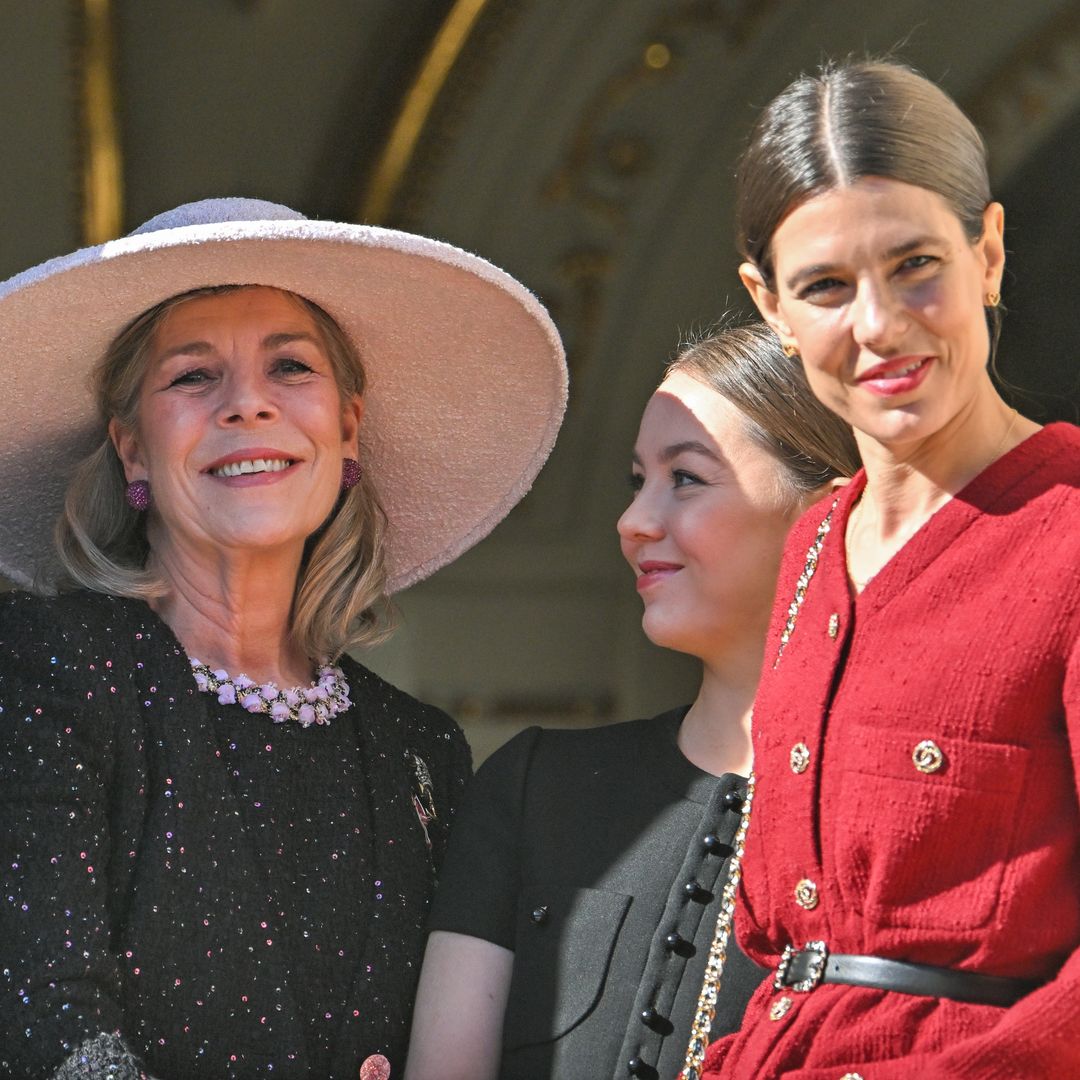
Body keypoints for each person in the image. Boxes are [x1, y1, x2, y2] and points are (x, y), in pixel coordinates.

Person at [0, 198, 567, 1079]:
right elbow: (48, 1031)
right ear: (132, 450)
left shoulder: (422, 753)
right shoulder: (44, 669)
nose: (248, 406)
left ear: (346, 429)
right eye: (192, 377)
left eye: (291, 367)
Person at [695, 60, 1080, 1080]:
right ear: (769, 305)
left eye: (916, 264)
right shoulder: (815, 542)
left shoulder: (1070, 537)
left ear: (988, 253)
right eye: (825, 286)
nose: (878, 325)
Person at [404, 323, 860, 1080]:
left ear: (829, 511)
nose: (632, 522)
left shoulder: (916, 816)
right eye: (636, 481)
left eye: (685, 478)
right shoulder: (531, 788)